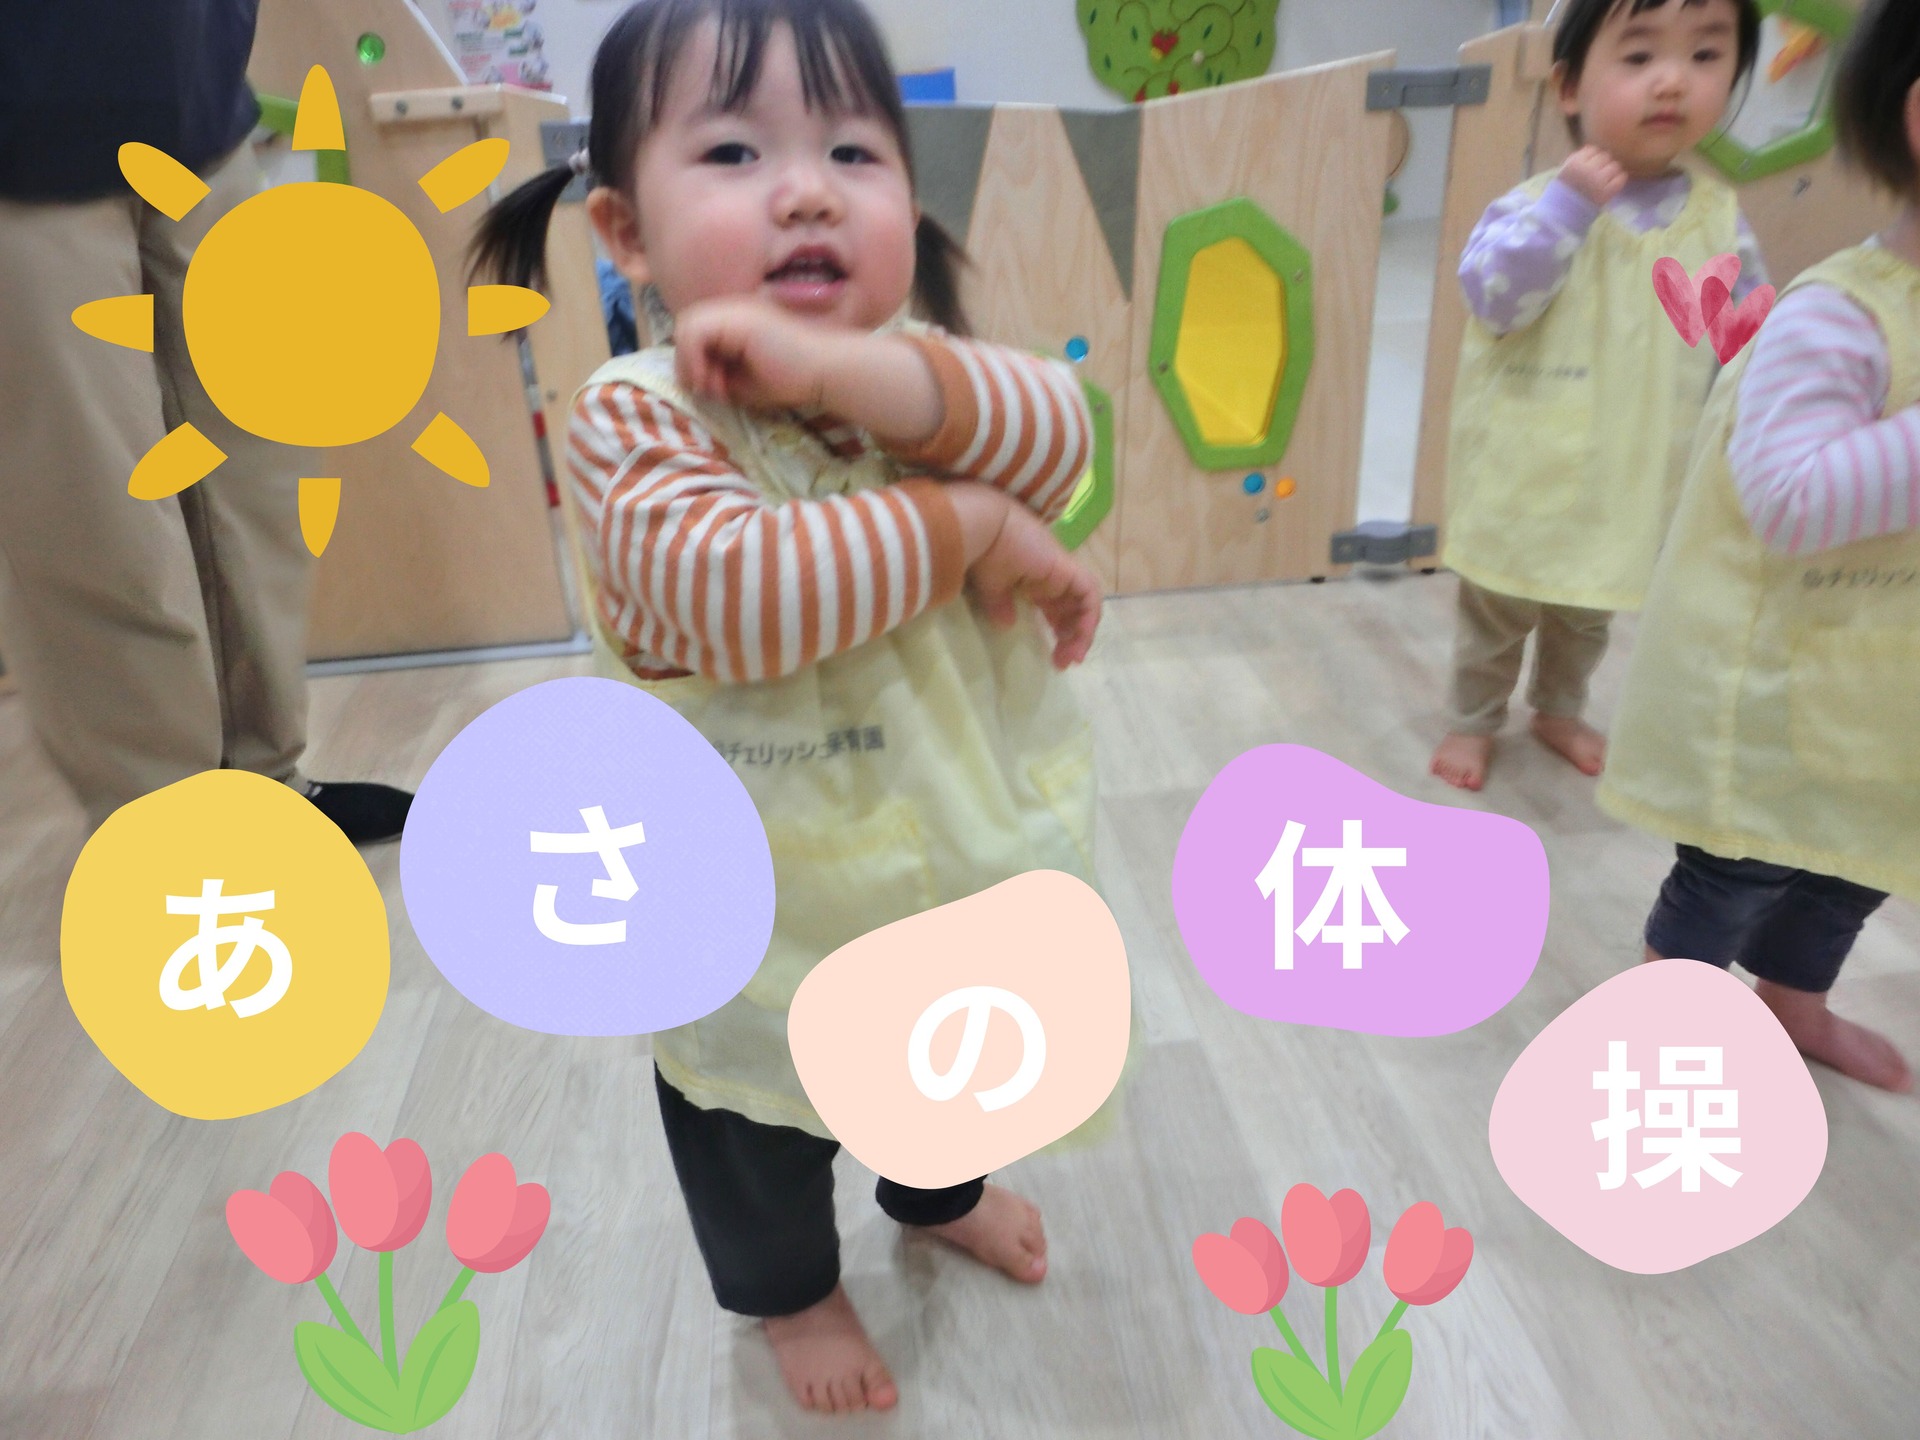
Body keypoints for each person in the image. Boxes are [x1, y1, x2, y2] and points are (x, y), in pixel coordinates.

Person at [473, 0, 1123, 1414]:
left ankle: (938, 1193)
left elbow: (1065, 437)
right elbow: (744, 597)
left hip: (944, 868)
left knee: (948, 1065)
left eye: (852, 151)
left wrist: (846, 374)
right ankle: (793, 1292)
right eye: (732, 152)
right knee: (755, 1130)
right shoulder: (636, 420)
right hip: (753, 922)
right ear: (626, 233)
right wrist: (968, 526)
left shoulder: (920, 380)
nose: (807, 189)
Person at [1598, 0, 1920, 1093]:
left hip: (1884, 694)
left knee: (1849, 869)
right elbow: (1788, 498)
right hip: (1776, 691)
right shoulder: (1842, 317)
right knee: (1737, 874)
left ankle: (1793, 1006)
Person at [0, 0, 412, 842]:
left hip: (193, 97)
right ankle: (168, 829)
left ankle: (267, 778)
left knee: (256, 471)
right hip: (19, 138)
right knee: (95, 510)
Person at [1430, 0, 1765, 791]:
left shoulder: (1720, 221)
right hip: (1525, 476)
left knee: (1588, 613)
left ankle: (1558, 707)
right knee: (1495, 616)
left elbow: (1744, 341)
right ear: (1570, 87)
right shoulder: (1531, 206)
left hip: (1630, 480)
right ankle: (1473, 719)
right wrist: (1569, 209)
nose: (1672, 82)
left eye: (1705, 56)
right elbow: (1496, 299)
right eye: (1640, 57)